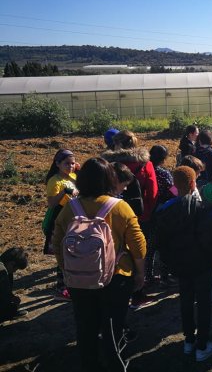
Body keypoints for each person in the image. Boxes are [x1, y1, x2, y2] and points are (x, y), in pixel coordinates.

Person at [52, 157, 146, 372]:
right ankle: (115, 365)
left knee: (85, 327)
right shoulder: (120, 207)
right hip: (116, 277)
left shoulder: (70, 208)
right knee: (113, 325)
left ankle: (90, 365)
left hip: (79, 280)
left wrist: (70, 269)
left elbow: (57, 243)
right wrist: (140, 274)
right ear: (110, 179)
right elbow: (138, 245)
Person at [155, 166, 212, 362]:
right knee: (204, 303)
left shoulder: (165, 210)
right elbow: (210, 240)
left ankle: (189, 340)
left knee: (186, 300)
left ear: (175, 185)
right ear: (193, 184)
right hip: (202, 265)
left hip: (180, 265)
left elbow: (160, 242)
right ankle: (202, 345)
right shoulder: (202, 209)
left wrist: (169, 262)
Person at [101, 130, 157, 308]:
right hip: (140, 215)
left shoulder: (106, 164)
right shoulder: (144, 164)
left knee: (115, 250)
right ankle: (138, 291)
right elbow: (153, 191)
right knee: (139, 250)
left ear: (116, 143)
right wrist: (147, 211)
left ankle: (113, 287)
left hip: (111, 214)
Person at [44, 149, 79, 301]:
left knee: (71, 251)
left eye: (72, 163)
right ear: (57, 164)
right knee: (63, 252)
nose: (70, 166)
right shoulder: (55, 181)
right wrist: (64, 191)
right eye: (66, 163)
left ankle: (69, 284)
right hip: (60, 219)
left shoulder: (73, 176)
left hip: (73, 217)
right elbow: (51, 203)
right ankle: (61, 288)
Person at [0, 247, 28, 322]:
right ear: (12, 264)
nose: (15, 271)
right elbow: (3, 297)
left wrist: (11, 296)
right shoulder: (2, 272)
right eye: (16, 269)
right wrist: (13, 307)